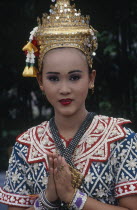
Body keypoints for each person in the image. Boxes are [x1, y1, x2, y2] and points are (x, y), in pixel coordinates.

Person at [0, 0, 137, 209]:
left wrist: (74, 198)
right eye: (54, 78)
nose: (64, 89)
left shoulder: (120, 139)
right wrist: (48, 197)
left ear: (91, 79)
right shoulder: (26, 145)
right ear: (40, 82)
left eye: (74, 77)